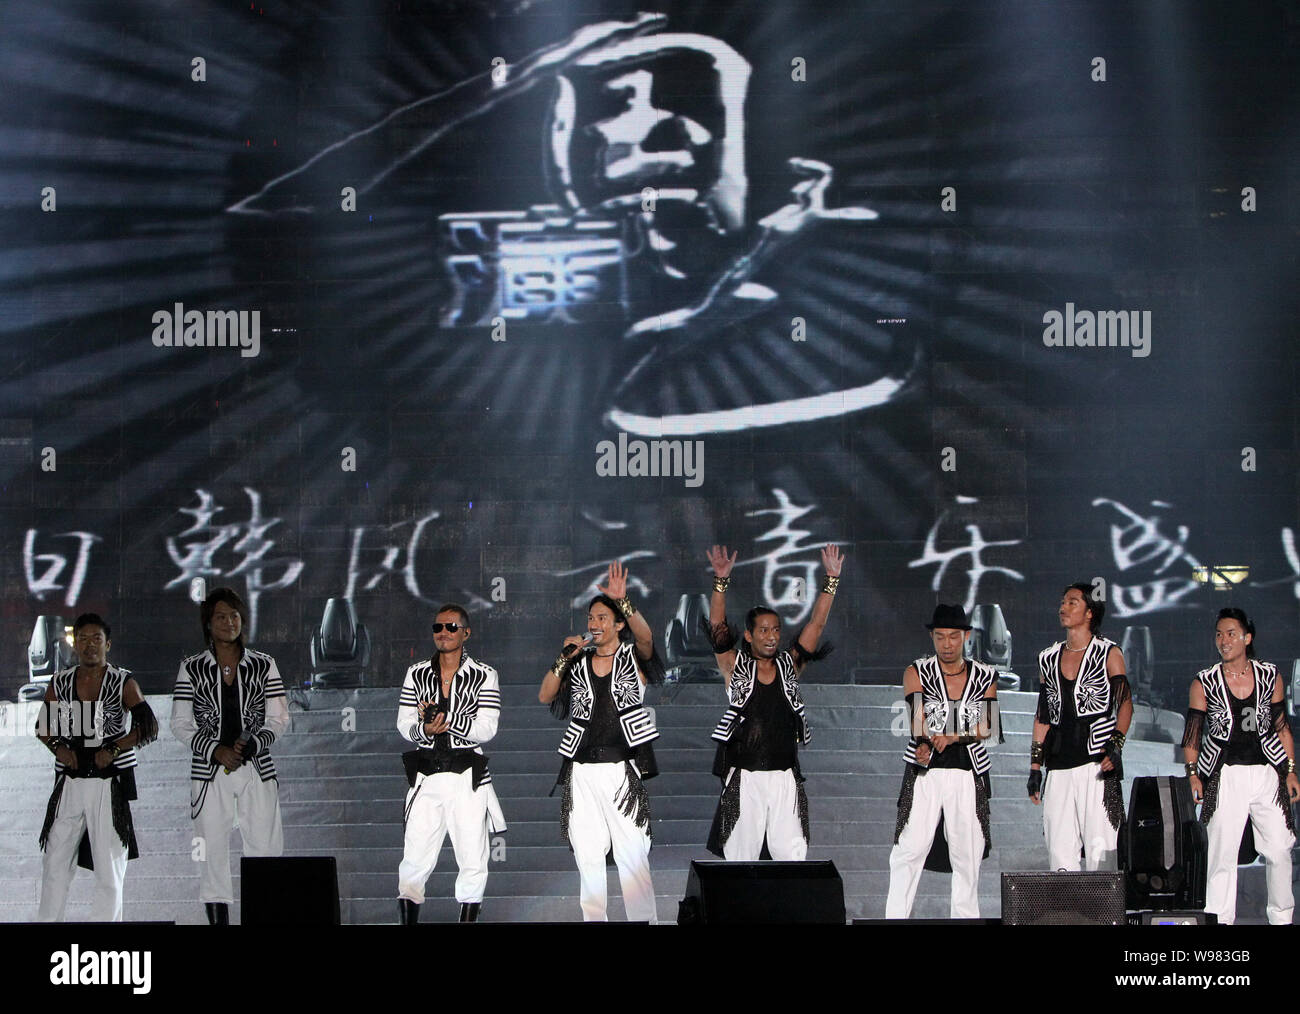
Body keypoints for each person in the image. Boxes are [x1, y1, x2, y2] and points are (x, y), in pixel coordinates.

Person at [538, 561, 662, 922]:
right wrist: (564, 658)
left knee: (633, 857)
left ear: (618, 623)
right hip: (582, 772)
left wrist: (624, 602)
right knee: (588, 859)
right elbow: (545, 695)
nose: (593, 623)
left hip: (621, 770)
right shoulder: (577, 663)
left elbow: (647, 639)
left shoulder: (631, 657)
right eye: (591, 617)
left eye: (602, 617)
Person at [702, 543, 842, 861]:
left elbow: (815, 626)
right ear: (749, 636)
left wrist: (831, 581)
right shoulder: (734, 665)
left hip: (784, 778)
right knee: (741, 861)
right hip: (745, 777)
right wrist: (720, 583)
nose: (771, 636)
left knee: (792, 857)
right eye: (763, 630)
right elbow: (718, 629)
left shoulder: (788, 665)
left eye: (776, 630)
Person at [170, 587, 290, 924]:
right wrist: (215, 750)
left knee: (265, 848)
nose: (228, 622)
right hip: (209, 774)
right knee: (212, 853)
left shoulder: (264, 664)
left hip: (257, 768)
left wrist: (257, 742)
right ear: (208, 623)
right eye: (220, 616)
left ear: (243, 620)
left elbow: (279, 718)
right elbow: (180, 723)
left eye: (234, 615)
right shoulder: (192, 668)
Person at [36, 612, 157, 921]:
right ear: (74, 644)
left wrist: (114, 748)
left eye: (97, 639)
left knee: (109, 869)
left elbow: (148, 725)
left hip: (109, 781)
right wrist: (58, 749)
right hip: (71, 782)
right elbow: (43, 726)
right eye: (84, 639)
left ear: (108, 644)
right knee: (54, 864)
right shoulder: (61, 681)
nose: (90, 646)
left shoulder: (122, 680)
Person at [1183, 607, 1298, 925]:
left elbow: (1281, 727)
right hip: (1224, 775)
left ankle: (1282, 919)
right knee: (1221, 855)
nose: (1224, 640)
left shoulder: (1269, 675)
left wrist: (1290, 770)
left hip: (1266, 772)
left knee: (1278, 849)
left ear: (1247, 637)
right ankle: (1219, 922)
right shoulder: (1204, 682)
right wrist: (1193, 775)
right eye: (1219, 634)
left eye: (1231, 633)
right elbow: (1192, 736)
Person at [885, 604, 999, 918]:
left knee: (967, 854)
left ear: (966, 636)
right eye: (940, 637)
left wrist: (951, 736)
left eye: (953, 637)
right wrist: (923, 742)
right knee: (909, 848)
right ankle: (895, 918)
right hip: (927, 772)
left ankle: (965, 919)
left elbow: (987, 725)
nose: (947, 644)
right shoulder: (917, 670)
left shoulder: (985, 675)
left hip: (968, 770)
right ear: (932, 637)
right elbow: (917, 715)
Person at [396, 604, 506, 924]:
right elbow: (405, 723)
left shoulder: (485, 674)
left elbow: (487, 727)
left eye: (451, 627)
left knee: (473, 857)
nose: (443, 632)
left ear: (466, 632)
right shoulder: (416, 673)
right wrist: (425, 729)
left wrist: (447, 720)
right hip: (426, 775)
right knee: (414, 857)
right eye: (438, 627)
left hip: (466, 776)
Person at [1028, 583, 1132, 871]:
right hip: (1058, 767)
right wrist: (1035, 767)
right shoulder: (1047, 658)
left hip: (1096, 766)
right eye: (1063, 602)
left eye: (1072, 602)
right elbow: (1042, 715)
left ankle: (1106, 915)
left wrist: (1116, 745)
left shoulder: (1108, 652)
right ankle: (1068, 915)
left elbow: (1125, 704)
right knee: (1060, 856)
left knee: (1102, 855)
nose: (1064, 607)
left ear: (1089, 612)